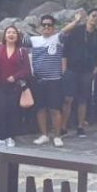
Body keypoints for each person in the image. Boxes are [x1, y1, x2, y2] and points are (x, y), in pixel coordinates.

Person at [21, 14, 78, 147]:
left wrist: (76, 20)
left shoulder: (57, 38)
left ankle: (57, 136)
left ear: (53, 28)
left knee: (54, 109)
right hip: (39, 80)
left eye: (49, 25)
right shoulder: (34, 40)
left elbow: (66, 30)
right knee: (40, 109)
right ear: (40, 27)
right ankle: (44, 135)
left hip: (54, 80)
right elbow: (15, 41)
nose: (46, 27)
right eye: (44, 25)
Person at [60, 7, 97, 137]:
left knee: (83, 99)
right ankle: (63, 126)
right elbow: (65, 50)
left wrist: (95, 70)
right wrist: (64, 68)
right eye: (93, 15)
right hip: (71, 69)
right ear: (88, 17)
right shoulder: (76, 32)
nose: (94, 19)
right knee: (68, 98)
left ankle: (80, 126)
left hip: (86, 71)